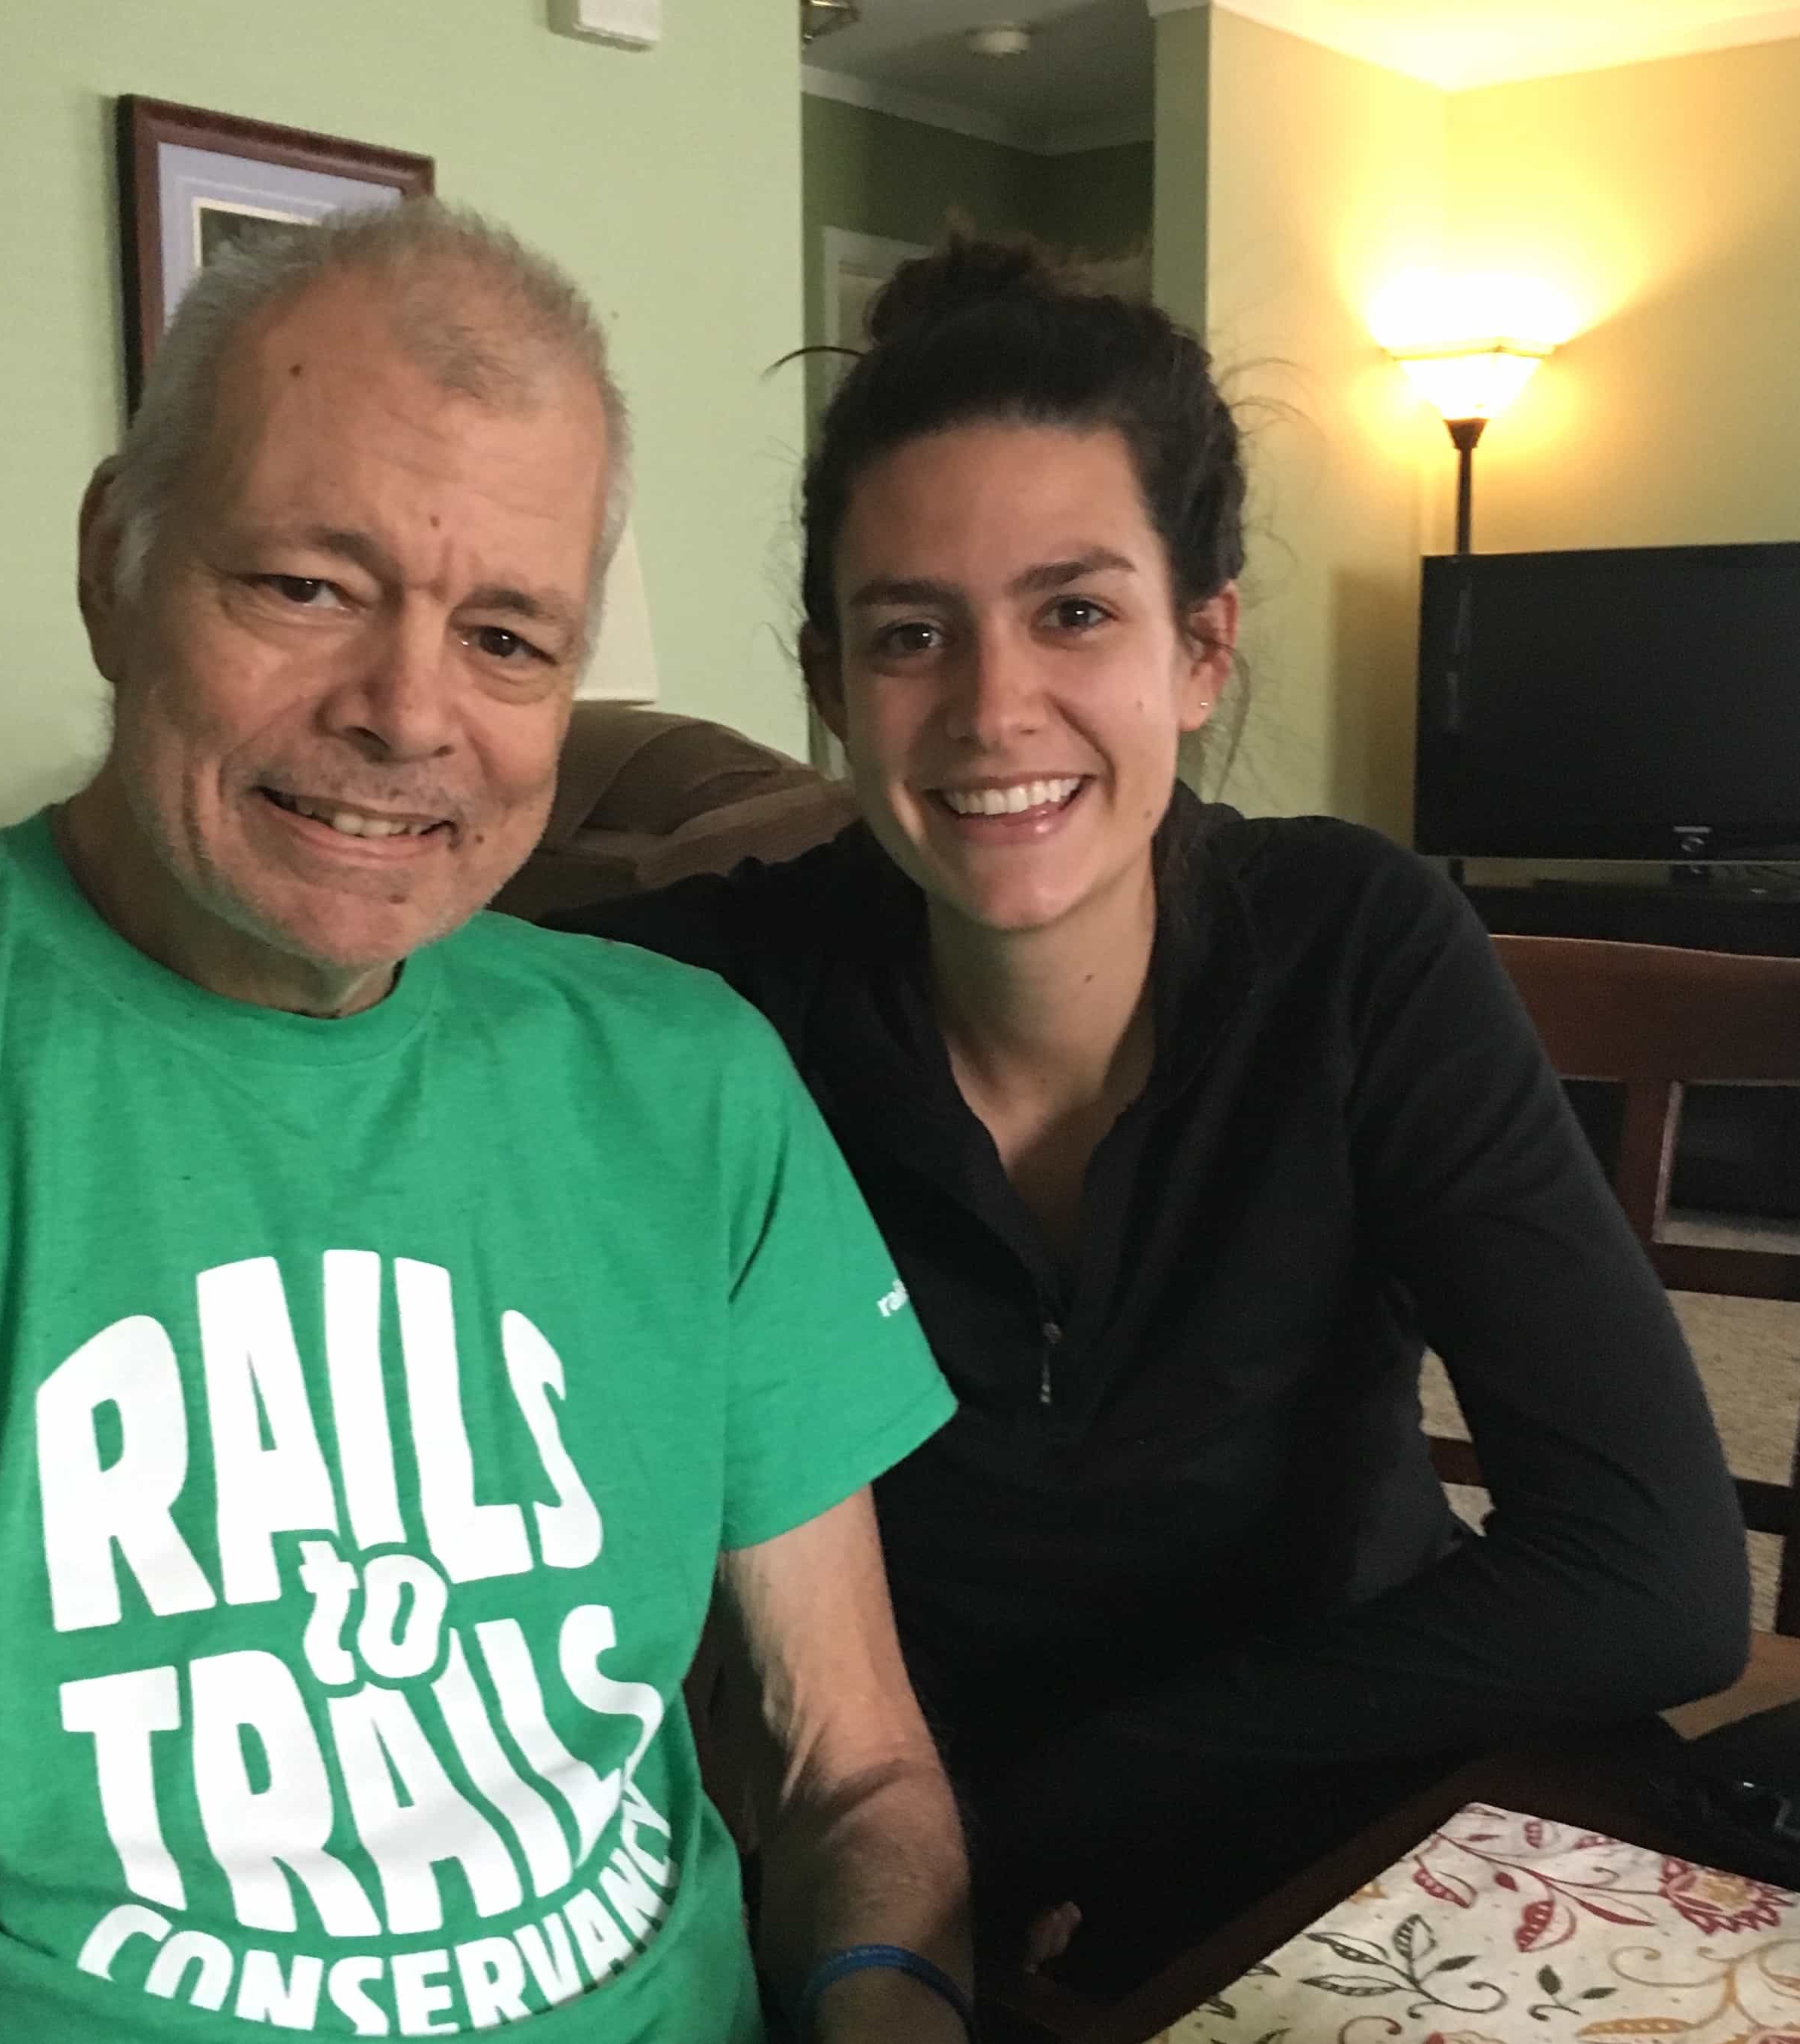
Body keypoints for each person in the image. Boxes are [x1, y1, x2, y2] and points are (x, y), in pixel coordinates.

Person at [0, 204, 976, 2043]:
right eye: (305, 587)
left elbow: (851, 1775)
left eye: (505, 635)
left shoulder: (691, 1078)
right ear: (117, 561)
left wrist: (888, 1995)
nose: (408, 714)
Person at [560, 235, 1752, 1991]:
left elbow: (1651, 1575)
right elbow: (355, 986)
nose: (990, 710)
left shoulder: (1357, 946)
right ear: (828, 684)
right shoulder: (719, 1004)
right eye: (911, 634)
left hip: (1354, 1801)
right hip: (913, 1882)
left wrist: (1053, 1808)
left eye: (1074, 611)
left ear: (1201, 648)